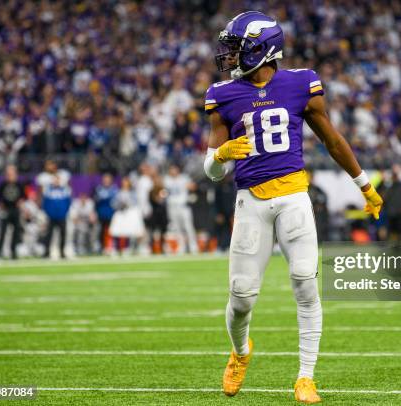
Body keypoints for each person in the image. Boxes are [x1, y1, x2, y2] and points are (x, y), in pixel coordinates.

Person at [203, 11, 382, 403]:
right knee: (241, 297)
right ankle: (241, 351)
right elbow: (211, 170)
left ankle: (305, 376)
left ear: (262, 50)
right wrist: (220, 156)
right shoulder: (223, 94)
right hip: (250, 201)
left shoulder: (301, 84)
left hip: (294, 196)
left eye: (237, 48)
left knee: (305, 281)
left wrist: (364, 186)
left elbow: (333, 140)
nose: (229, 56)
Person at [164, 163, 198, 254]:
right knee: (177, 228)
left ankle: (193, 246)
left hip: (183, 206)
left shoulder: (184, 178)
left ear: (178, 170)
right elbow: (162, 191)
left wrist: (190, 186)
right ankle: (181, 246)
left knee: (188, 227)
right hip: (172, 207)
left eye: (174, 169)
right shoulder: (167, 180)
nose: (173, 171)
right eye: (171, 169)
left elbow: (193, 187)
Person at [0, 165, 24, 259]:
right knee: (2, 232)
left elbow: (23, 196)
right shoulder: (3, 184)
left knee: (16, 232)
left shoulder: (19, 184)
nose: (10, 175)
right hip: (6, 210)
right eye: (8, 174)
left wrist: (21, 201)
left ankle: (13, 252)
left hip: (15, 210)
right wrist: (0, 204)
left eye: (12, 173)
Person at [42, 175, 72, 259]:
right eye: (55, 180)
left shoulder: (65, 190)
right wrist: (48, 213)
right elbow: (45, 204)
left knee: (63, 235)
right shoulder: (48, 190)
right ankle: (46, 252)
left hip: (62, 216)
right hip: (51, 217)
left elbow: (68, 203)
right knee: (48, 235)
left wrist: (64, 213)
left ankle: (62, 252)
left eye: (57, 180)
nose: (56, 182)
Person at [94, 173, 118, 254]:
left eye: (108, 179)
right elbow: (96, 201)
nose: (106, 181)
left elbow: (116, 201)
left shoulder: (114, 189)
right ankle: (102, 246)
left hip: (111, 213)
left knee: (112, 230)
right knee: (101, 231)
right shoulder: (99, 189)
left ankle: (111, 246)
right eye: (105, 179)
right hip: (102, 213)